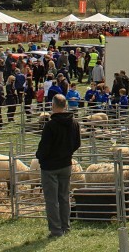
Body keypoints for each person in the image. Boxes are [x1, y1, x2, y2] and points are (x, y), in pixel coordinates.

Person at [36, 95, 80, 238]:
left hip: (50, 167)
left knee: (52, 199)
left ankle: (56, 230)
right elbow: (77, 143)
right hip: (66, 164)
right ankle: (65, 227)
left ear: (54, 106)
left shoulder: (51, 125)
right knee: (64, 196)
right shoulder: (74, 123)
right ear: (65, 105)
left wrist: (40, 157)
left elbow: (44, 147)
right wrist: (67, 153)